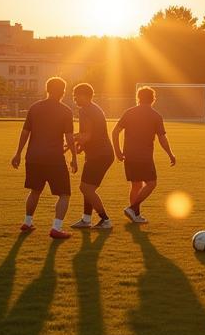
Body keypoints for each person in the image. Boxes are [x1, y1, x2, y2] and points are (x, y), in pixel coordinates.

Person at [11, 76, 77, 240]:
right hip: (54, 158)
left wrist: (18, 153)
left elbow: (25, 132)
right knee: (64, 194)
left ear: (47, 90)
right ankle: (56, 227)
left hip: (33, 157)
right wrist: (74, 157)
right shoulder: (65, 111)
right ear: (63, 91)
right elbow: (69, 137)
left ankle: (27, 222)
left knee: (35, 191)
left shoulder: (34, 108)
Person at [112, 85, 176, 224]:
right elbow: (162, 138)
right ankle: (133, 208)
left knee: (136, 185)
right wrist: (170, 154)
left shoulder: (129, 112)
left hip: (129, 155)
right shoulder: (156, 116)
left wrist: (117, 151)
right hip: (144, 157)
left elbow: (115, 132)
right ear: (153, 99)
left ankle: (136, 215)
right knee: (151, 183)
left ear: (138, 98)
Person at [69, 82, 115, 230]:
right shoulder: (93, 109)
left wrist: (72, 140)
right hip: (100, 153)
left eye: (76, 95)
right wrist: (80, 145)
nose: (74, 98)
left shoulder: (86, 111)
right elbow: (91, 135)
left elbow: (87, 135)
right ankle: (86, 219)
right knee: (87, 187)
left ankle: (105, 219)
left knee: (86, 188)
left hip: (99, 155)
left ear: (84, 95)